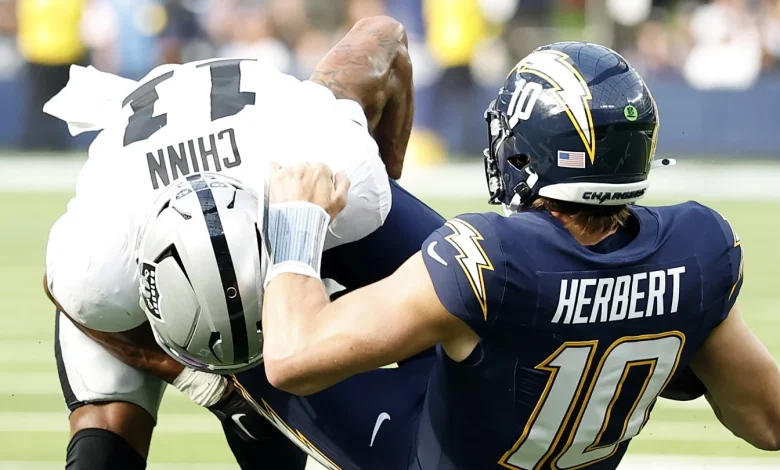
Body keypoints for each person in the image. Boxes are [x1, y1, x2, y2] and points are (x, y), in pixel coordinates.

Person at [247, 42, 780, 468]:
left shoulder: (494, 258)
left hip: (422, 454)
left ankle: (219, 391)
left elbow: (294, 359)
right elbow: (768, 422)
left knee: (241, 316)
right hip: (502, 413)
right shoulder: (695, 251)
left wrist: (299, 221)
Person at [42, 16, 416, 470]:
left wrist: (384, 163)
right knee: (106, 443)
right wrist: (212, 386)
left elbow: (382, 34)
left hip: (295, 198)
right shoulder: (99, 264)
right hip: (144, 201)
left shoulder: (337, 171)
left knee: (459, 317)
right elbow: (66, 294)